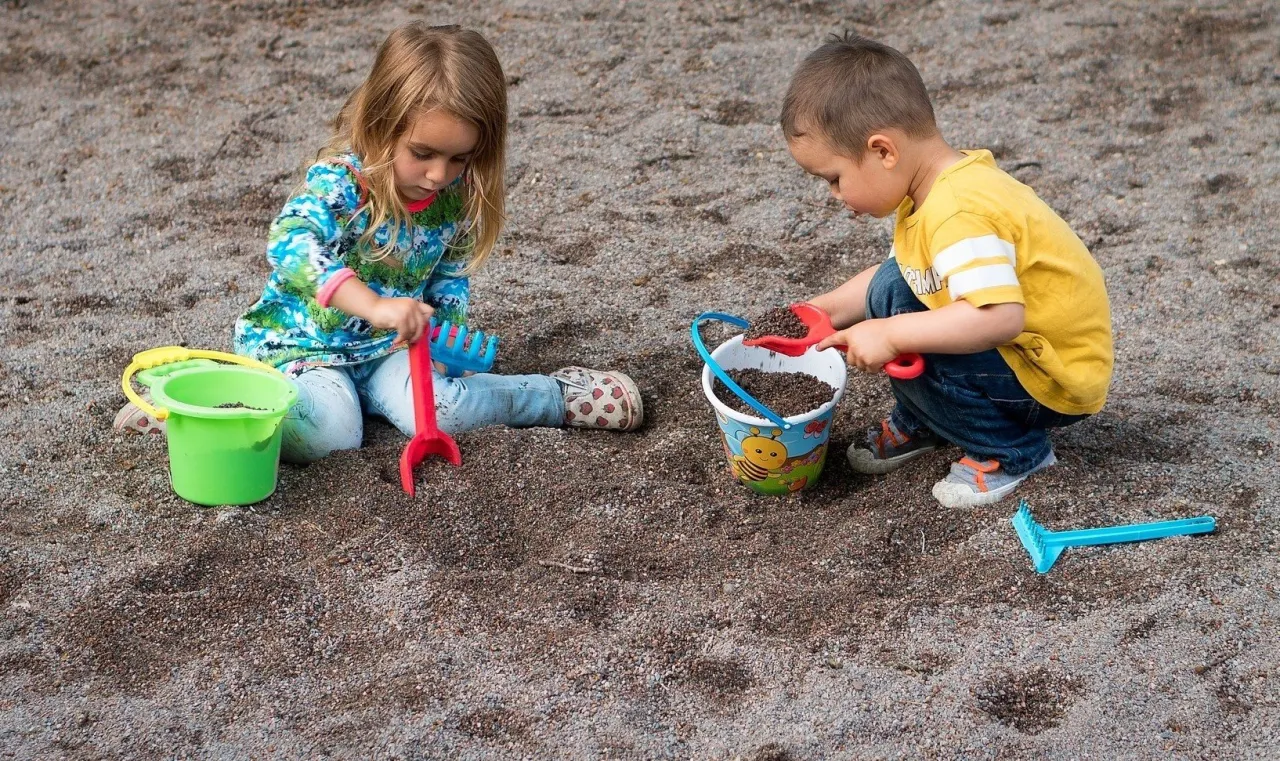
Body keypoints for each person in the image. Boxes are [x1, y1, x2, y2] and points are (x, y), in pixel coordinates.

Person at [115, 23, 642, 461]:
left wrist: (441, 341)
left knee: (444, 413)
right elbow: (289, 243)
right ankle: (202, 409)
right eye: (423, 152)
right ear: (380, 125)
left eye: (460, 158)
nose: (439, 174)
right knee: (331, 436)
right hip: (304, 348)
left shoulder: (454, 199)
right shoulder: (341, 184)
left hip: (389, 349)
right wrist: (371, 304)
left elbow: (448, 278)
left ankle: (557, 398)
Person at [780, 33, 1112, 508]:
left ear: (883, 151)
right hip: (1024, 353)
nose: (834, 195)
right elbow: (900, 275)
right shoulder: (937, 187)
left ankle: (1013, 451)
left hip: (1050, 377)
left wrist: (893, 334)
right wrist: (822, 310)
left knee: (909, 330)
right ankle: (930, 419)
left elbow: (998, 317)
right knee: (895, 289)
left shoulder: (959, 213)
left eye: (834, 178)